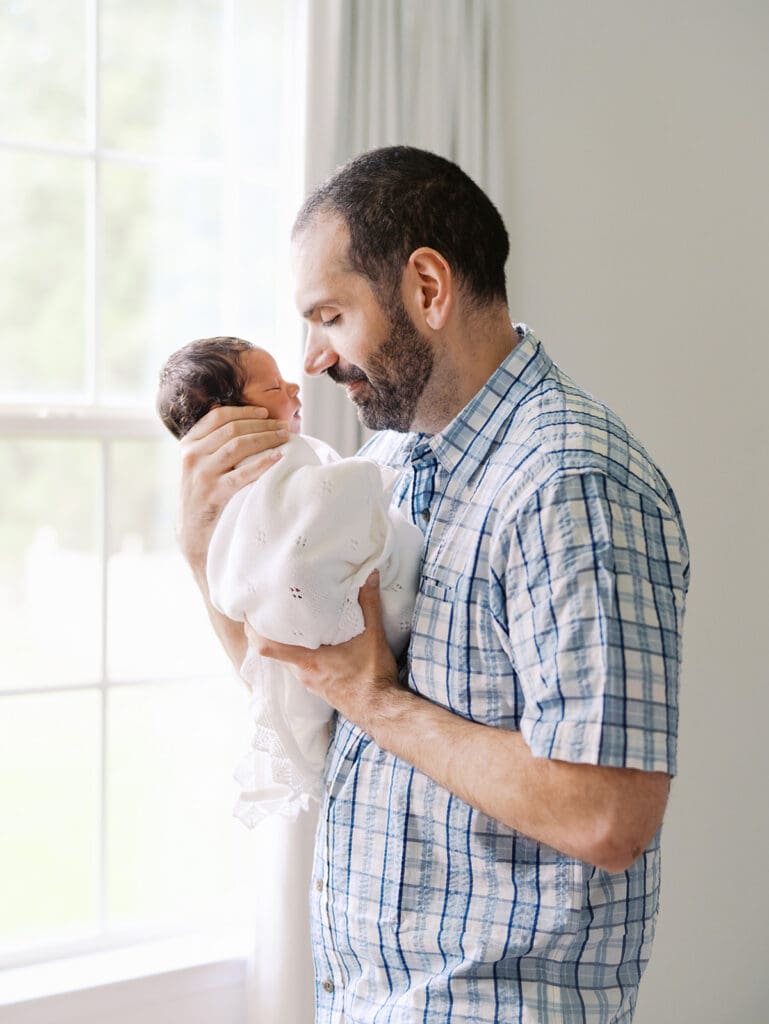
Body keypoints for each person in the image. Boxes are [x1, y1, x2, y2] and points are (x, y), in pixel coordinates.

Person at [175, 147, 690, 1023]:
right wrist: (203, 553)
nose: (309, 361)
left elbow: (607, 815)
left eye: (329, 316)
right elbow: (305, 686)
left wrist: (374, 697)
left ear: (426, 288)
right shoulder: (383, 468)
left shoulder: (569, 481)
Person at [157, 336, 422, 825]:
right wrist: (198, 549)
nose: (304, 376)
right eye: (275, 387)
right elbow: (272, 588)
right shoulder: (259, 475)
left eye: (333, 317)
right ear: (231, 419)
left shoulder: (315, 455)